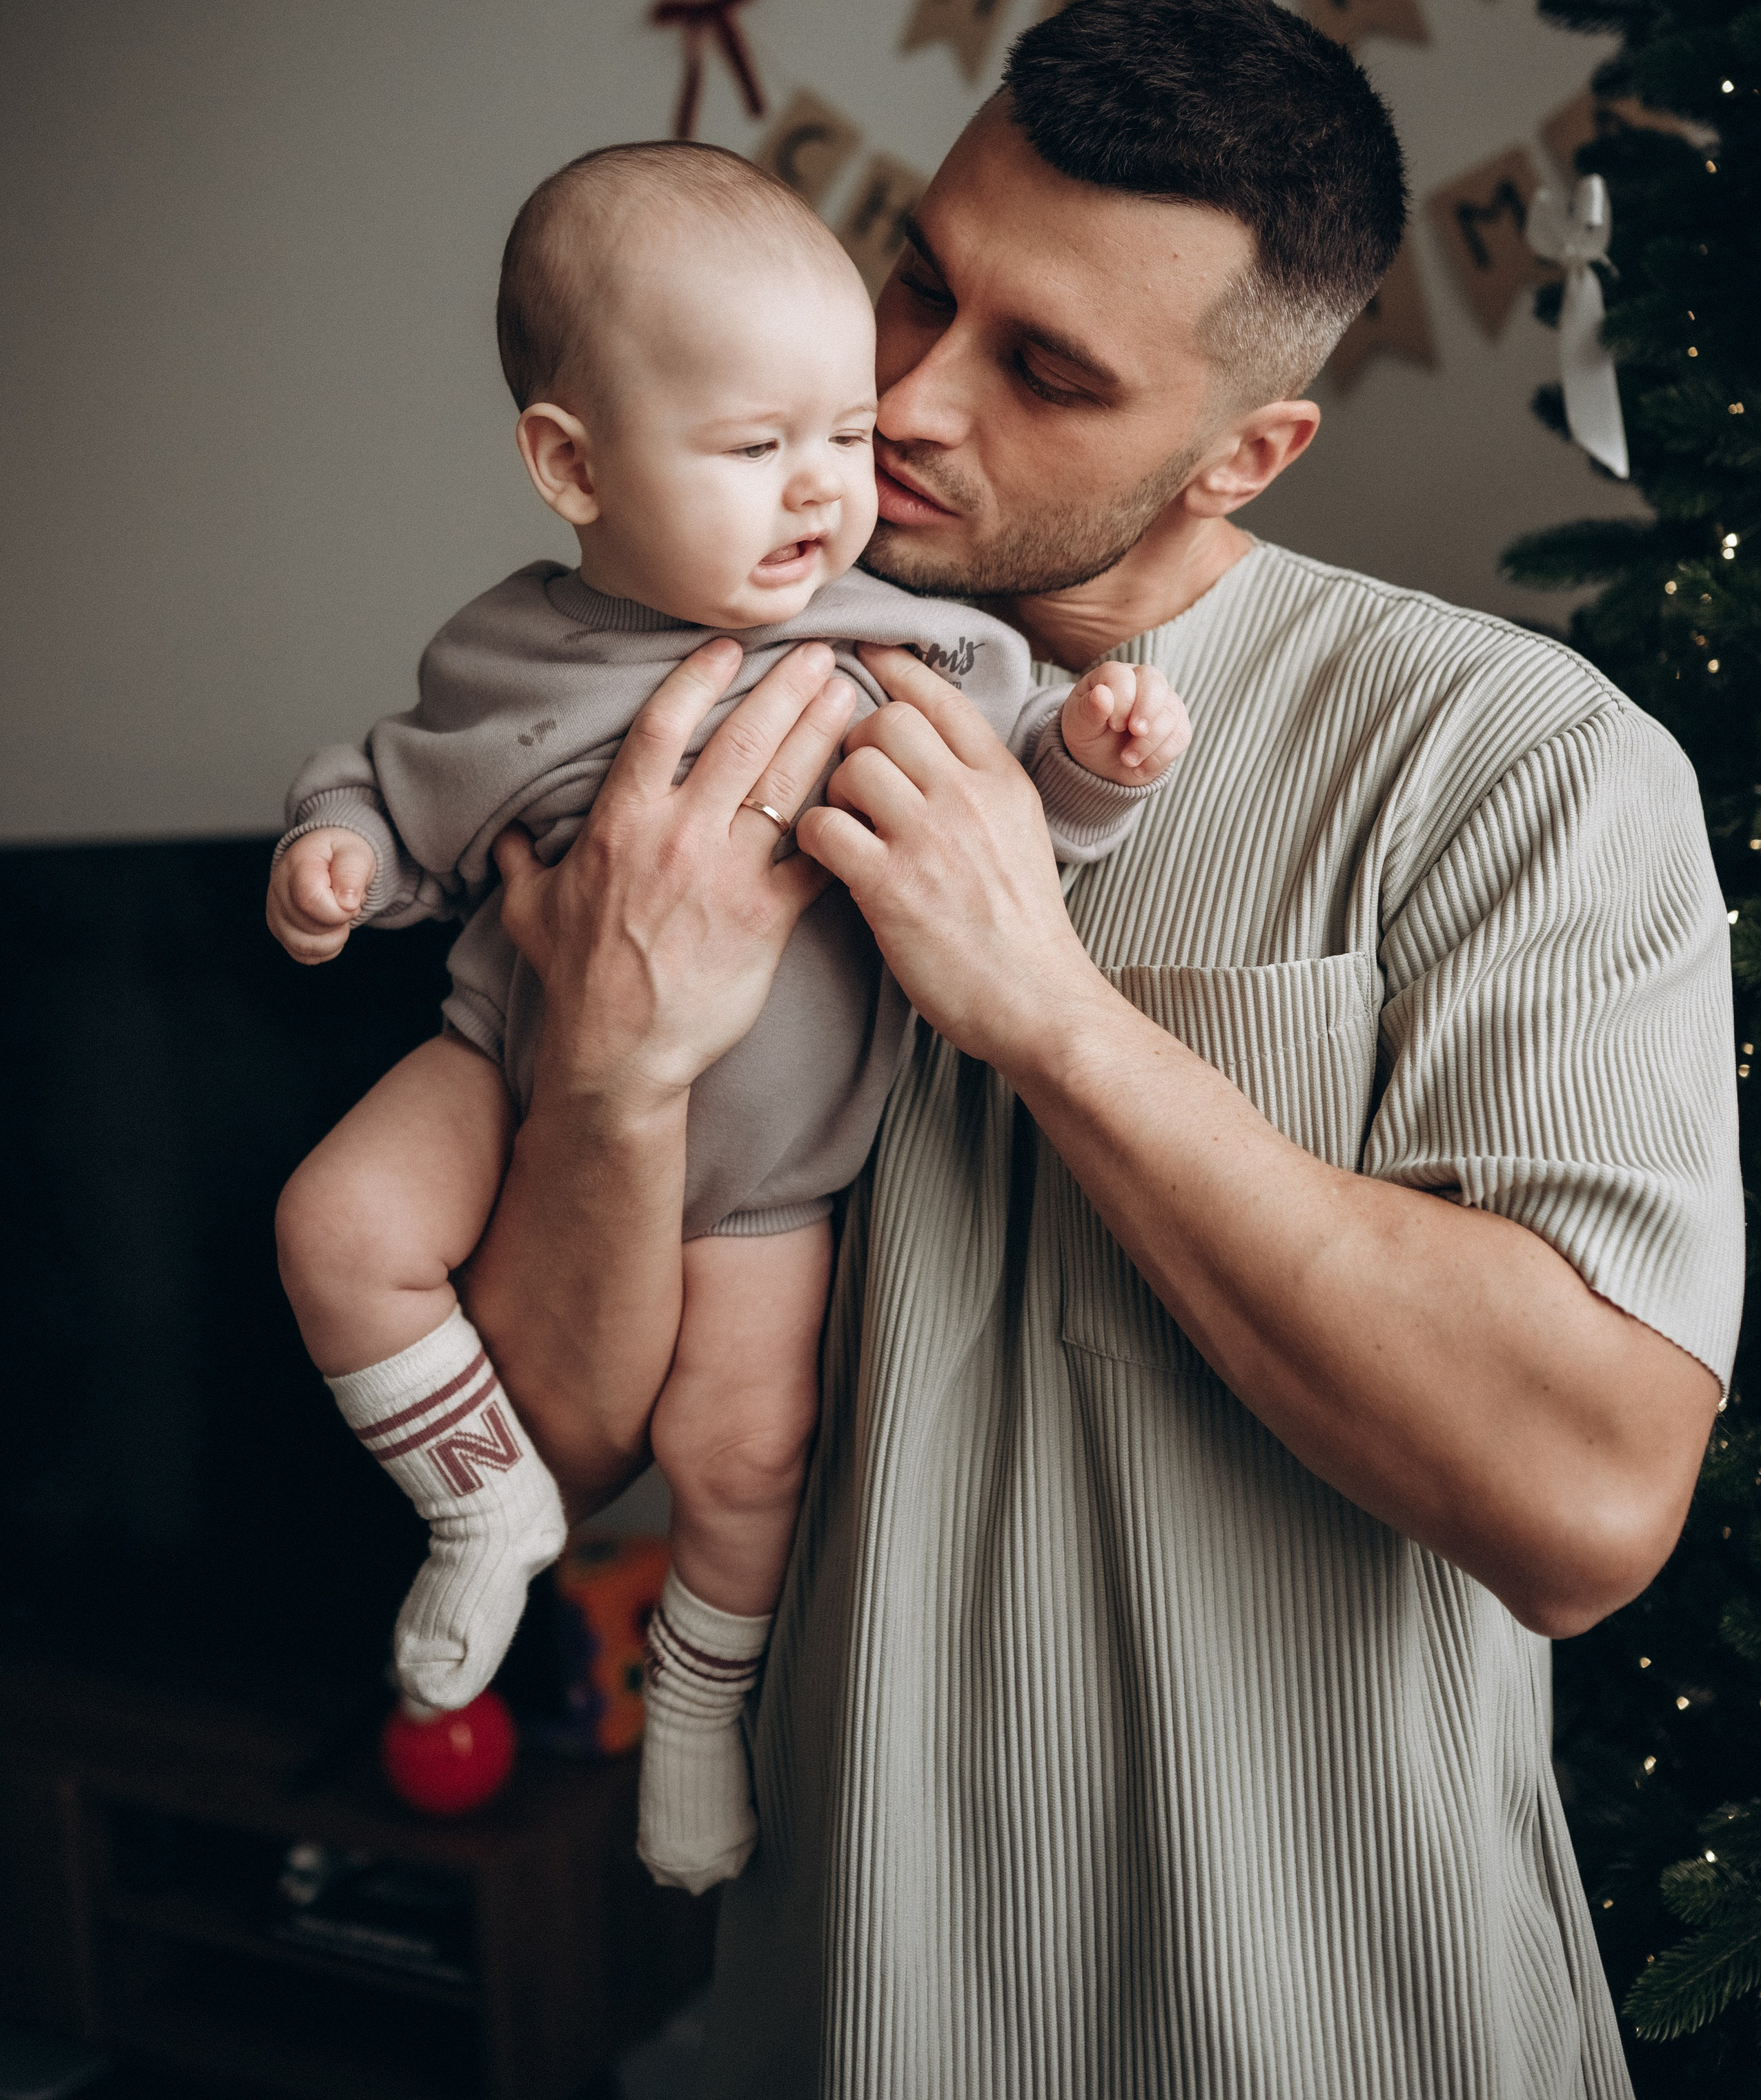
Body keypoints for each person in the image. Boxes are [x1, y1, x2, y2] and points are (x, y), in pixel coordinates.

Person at [466, 0, 1742, 2096]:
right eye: (916, 280)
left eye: (1047, 369)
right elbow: (545, 1443)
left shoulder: (1526, 765)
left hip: (1341, 2031)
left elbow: (1587, 1507)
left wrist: (1050, 1012)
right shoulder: (657, 711)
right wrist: (603, 1074)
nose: (910, 397)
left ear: (1246, 451)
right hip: (833, 2015)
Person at [266, 139, 1184, 1893]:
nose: (820, 493)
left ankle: (697, 1705)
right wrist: (333, 857)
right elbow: (398, 785)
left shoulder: (911, 650)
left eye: (842, 436)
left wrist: (1088, 760)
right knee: (334, 1224)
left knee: (744, 1449)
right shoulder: (502, 655)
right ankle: (478, 1507)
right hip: (502, 1059)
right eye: (754, 450)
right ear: (570, 463)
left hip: (776, 1163)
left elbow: (1015, 827)